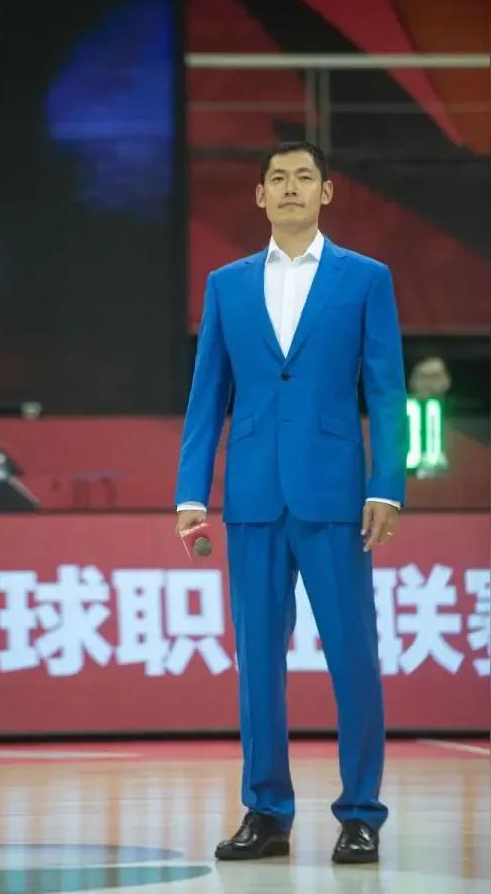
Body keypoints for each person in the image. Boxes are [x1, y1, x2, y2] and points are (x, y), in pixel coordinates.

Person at [174, 141, 408, 865]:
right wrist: (190, 493)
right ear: (260, 195)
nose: (290, 188)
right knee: (258, 664)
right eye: (277, 178)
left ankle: (360, 813)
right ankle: (267, 811)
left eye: (304, 177)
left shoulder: (365, 279)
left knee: (353, 657)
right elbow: (207, 397)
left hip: (336, 496)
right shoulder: (226, 285)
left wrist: (386, 484)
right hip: (252, 498)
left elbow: (387, 391)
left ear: (326, 192)